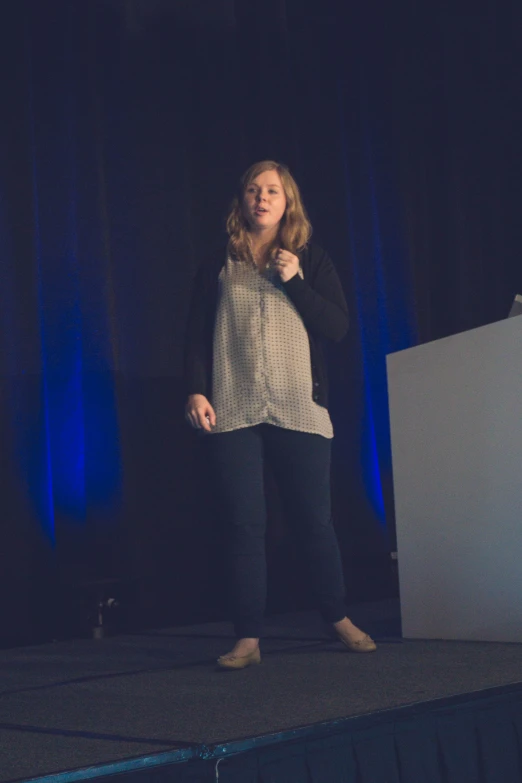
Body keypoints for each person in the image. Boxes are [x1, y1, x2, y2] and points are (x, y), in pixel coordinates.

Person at [184, 160, 376, 670]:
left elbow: (336, 326)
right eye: (252, 189)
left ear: (287, 201)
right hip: (235, 405)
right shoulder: (218, 263)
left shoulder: (309, 260)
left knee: (315, 521)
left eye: (271, 190)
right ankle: (248, 638)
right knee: (244, 524)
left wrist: (292, 280)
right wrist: (196, 391)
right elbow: (197, 336)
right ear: (241, 201)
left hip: (298, 405)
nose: (261, 198)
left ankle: (338, 617)